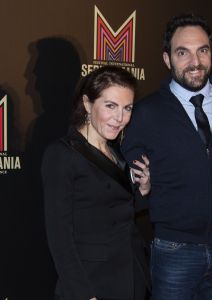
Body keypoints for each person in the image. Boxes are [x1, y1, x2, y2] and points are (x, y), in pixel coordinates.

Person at [121, 13, 212, 300]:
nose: (195, 62)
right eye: (182, 52)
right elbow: (128, 185)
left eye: (203, 50)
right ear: (167, 59)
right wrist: (142, 186)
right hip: (174, 251)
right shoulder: (146, 113)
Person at [42, 66, 151, 300]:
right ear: (88, 104)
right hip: (93, 282)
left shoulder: (114, 150)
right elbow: (60, 238)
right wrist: (83, 294)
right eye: (110, 106)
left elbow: (117, 210)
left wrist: (142, 190)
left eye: (127, 108)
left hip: (130, 275)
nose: (120, 118)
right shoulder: (62, 155)